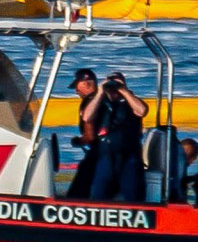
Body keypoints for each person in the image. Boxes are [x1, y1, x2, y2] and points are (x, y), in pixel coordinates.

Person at [82, 69, 151, 203]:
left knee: (133, 196)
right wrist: (101, 91)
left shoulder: (131, 102)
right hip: (106, 156)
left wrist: (123, 91)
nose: (114, 89)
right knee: (99, 195)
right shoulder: (100, 103)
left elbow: (142, 111)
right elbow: (87, 117)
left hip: (129, 157)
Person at [63, 68, 105, 198]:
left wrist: (78, 141)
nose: (76, 91)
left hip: (99, 153)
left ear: (86, 83)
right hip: (111, 150)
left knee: (79, 188)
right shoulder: (106, 99)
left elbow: (90, 136)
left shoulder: (88, 103)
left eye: (77, 86)